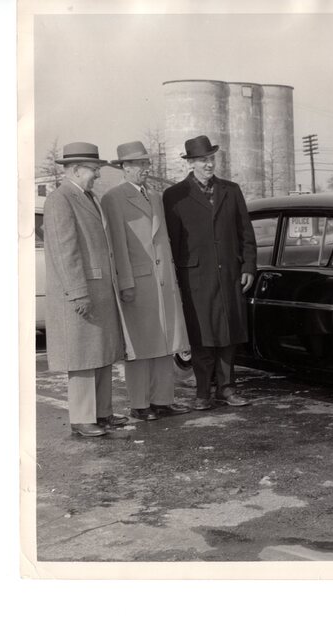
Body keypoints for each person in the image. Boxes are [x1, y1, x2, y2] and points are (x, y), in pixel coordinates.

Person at [163, 135, 257, 410]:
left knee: (229, 333)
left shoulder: (231, 190)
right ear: (191, 163)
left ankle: (227, 389)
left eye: (211, 159)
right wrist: (177, 280)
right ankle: (203, 392)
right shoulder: (175, 196)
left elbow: (246, 233)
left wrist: (248, 266)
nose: (209, 164)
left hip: (229, 274)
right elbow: (172, 241)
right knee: (202, 336)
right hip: (195, 278)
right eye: (203, 160)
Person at [43, 142, 131, 437]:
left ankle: (102, 413)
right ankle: (82, 418)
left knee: (101, 353)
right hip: (81, 291)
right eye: (93, 170)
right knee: (82, 357)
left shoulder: (88, 196)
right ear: (76, 169)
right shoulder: (60, 199)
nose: (97, 175)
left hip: (99, 290)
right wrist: (78, 292)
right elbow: (65, 251)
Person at [101, 141, 191, 422]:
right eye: (139, 164)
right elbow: (116, 243)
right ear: (124, 168)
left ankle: (163, 400)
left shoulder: (155, 196)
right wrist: (126, 283)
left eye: (146, 164)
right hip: (138, 282)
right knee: (140, 346)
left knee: (164, 343)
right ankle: (140, 404)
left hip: (162, 280)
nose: (145, 169)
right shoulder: (113, 198)